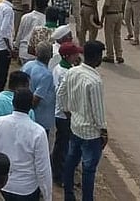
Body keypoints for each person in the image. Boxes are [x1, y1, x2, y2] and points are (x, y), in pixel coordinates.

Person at [57, 40, 108, 201]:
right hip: (91, 133)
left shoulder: (72, 72)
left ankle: (68, 196)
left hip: (75, 126)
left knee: (71, 162)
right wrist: (103, 131)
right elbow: (98, 111)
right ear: (97, 57)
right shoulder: (94, 81)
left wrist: (67, 111)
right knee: (88, 169)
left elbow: (61, 93)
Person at [0, 88, 52, 201]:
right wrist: (47, 196)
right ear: (31, 105)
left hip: (1, 186)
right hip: (26, 190)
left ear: (13, 102)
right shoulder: (38, 132)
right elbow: (43, 169)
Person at [51, 41, 81, 184]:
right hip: (64, 114)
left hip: (59, 112)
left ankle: (57, 170)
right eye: (75, 54)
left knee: (61, 144)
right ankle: (60, 175)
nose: (77, 56)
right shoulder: (67, 73)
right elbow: (64, 94)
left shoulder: (58, 68)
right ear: (68, 56)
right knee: (64, 146)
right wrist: (69, 112)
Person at [21, 42, 57, 137]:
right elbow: (36, 99)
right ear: (51, 55)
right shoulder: (47, 75)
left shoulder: (27, 65)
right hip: (40, 118)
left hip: (26, 115)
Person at [0, 0, 19, 93]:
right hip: (4, 45)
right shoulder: (8, 10)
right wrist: (10, 49)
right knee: (2, 72)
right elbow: (5, 31)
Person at [101, 0, 126, 64]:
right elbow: (124, 2)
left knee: (109, 35)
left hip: (110, 14)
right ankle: (119, 55)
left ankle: (110, 55)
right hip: (119, 13)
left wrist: (102, 17)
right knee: (117, 35)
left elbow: (106, 5)